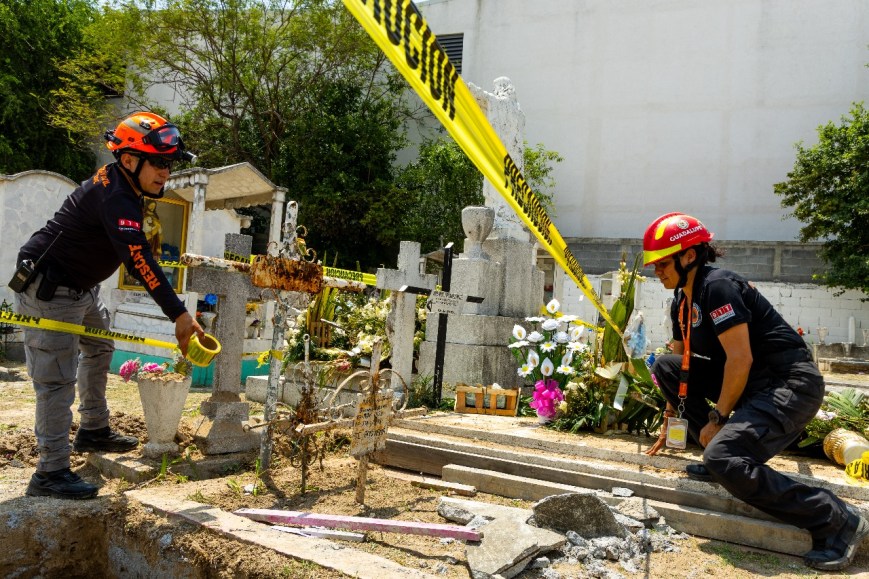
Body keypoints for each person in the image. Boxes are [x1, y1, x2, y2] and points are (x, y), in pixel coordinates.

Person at [641, 212, 868, 571]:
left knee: (722, 458)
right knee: (664, 365)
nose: (657, 271)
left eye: (663, 262)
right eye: (653, 265)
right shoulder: (682, 301)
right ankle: (723, 453)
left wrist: (718, 418)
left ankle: (836, 519)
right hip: (753, 385)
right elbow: (679, 361)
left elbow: (741, 359)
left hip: (788, 384)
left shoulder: (718, 286)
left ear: (690, 255)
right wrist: (670, 417)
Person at [11, 111, 204, 500]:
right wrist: (180, 316)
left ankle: (93, 430)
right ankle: (49, 471)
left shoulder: (124, 186)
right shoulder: (116, 196)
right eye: (160, 163)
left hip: (79, 288)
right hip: (50, 290)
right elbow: (139, 260)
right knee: (55, 381)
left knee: (99, 347)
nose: (167, 172)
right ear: (130, 159)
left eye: (170, 163)